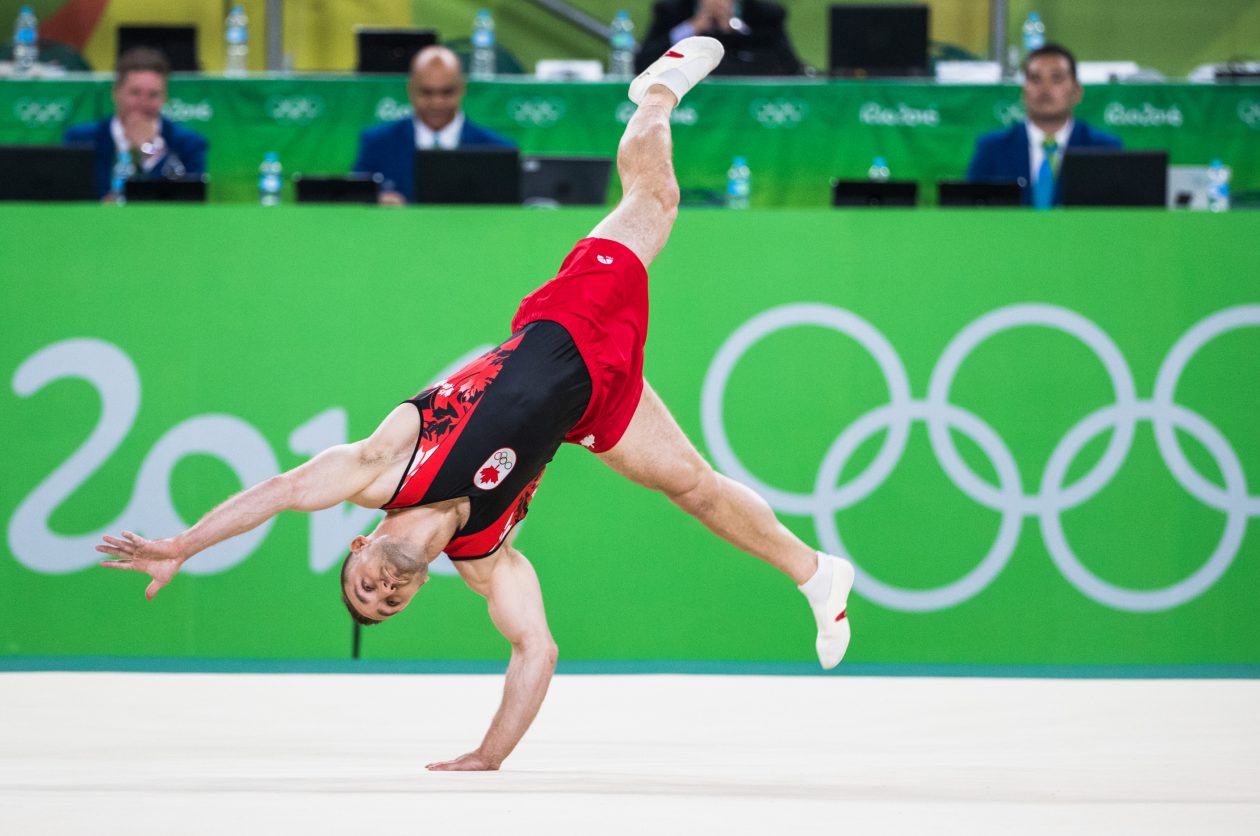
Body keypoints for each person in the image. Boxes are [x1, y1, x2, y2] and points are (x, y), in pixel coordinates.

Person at [98, 37, 855, 773]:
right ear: (419, 589)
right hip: (594, 407)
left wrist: (182, 546)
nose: (386, 589)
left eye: (368, 587)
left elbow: (281, 492)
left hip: (567, 326)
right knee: (692, 487)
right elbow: (536, 649)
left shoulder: (381, 468)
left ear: (360, 546)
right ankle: (816, 573)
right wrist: (489, 756)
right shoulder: (486, 557)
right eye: (392, 603)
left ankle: (658, 87)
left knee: (654, 198)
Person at [352, 45, 514, 205]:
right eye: (427, 92)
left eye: (447, 92)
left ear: (462, 89)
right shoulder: (376, 144)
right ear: (411, 89)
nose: (437, 103)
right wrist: (375, 202)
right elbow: (354, 204)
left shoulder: (498, 149)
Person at [966, 43, 1121, 207]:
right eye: (1035, 79)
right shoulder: (992, 148)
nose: (1045, 89)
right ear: (1023, 91)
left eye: (1056, 79)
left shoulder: (1104, 149)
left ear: (1077, 91)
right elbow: (971, 215)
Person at [63, 47, 207, 200]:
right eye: (135, 93)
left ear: (165, 97)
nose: (143, 103)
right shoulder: (80, 139)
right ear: (115, 93)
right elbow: (68, 199)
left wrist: (149, 149)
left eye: (153, 95)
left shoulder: (188, 143)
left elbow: (188, 200)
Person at [635, 0, 803, 76]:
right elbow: (644, 61)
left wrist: (732, 30)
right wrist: (692, 27)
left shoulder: (766, 15)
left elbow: (789, 65)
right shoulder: (670, 11)